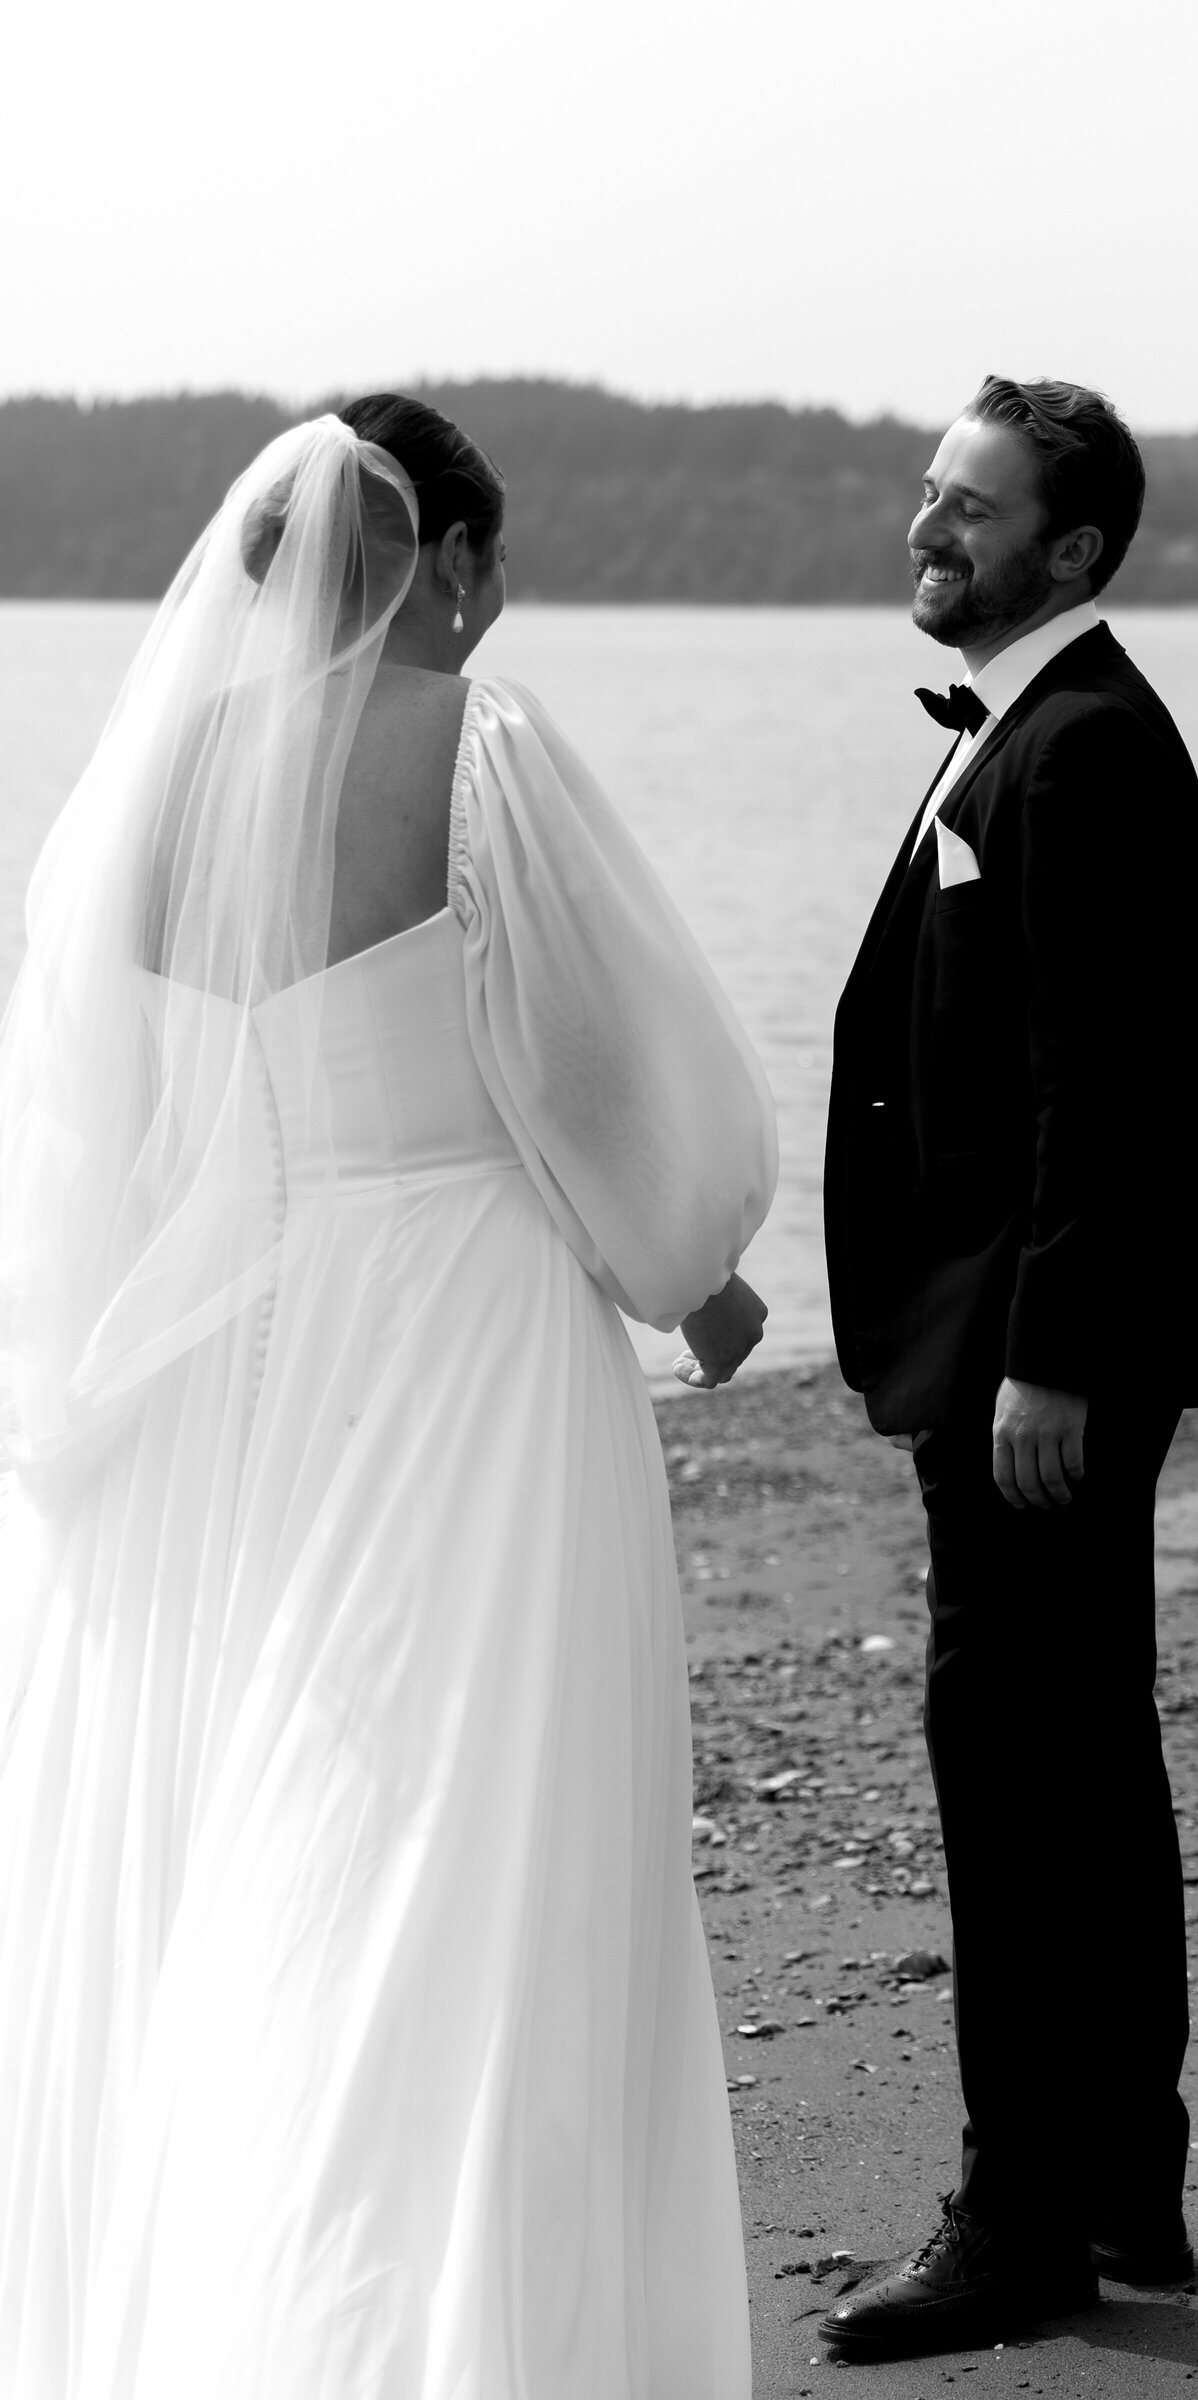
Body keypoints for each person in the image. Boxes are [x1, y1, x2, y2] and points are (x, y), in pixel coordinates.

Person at [0, 396, 774, 2398]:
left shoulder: (147, 783)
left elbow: (98, 1140)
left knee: (230, 1849)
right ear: (445, 558)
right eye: (483, 574)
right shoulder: (479, 749)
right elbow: (598, 1071)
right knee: (454, 1863)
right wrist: (693, 1278)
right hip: (456, 1343)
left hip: (219, 1351)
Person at [820, 375, 1198, 2358]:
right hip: (1024, 1348)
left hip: (1037, 1362)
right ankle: (1121, 2198)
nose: (927, 529)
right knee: (1077, 1759)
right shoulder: (1035, 730)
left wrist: (1051, 1361)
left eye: (969, 509)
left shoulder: (1075, 749)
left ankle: (1020, 2219)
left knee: (1017, 1771)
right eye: (928, 493)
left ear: (1069, 551)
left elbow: (1112, 1082)